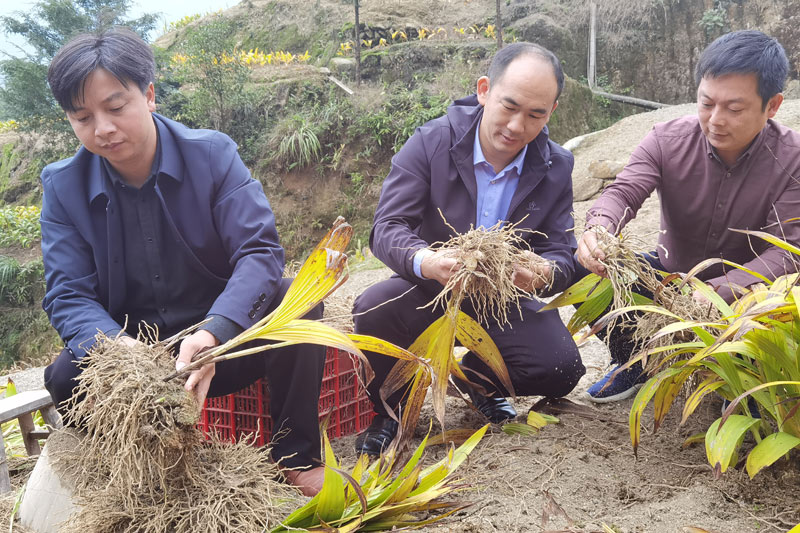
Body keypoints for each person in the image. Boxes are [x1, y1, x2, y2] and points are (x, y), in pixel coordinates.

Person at [39, 28, 325, 496]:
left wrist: (214, 331)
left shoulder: (212, 154)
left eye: (115, 107)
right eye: (82, 116)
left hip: (225, 342)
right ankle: (142, 468)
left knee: (299, 298)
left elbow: (260, 251)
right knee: (65, 374)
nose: (103, 129)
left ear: (149, 95)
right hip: (136, 359)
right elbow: (67, 293)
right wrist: (119, 349)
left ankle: (296, 457)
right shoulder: (62, 188)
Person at [352, 42, 586, 455]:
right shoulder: (431, 142)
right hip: (433, 286)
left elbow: (562, 252)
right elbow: (387, 228)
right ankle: (391, 408)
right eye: (508, 106)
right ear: (483, 90)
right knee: (373, 306)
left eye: (535, 114)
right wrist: (428, 261)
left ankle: (477, 378)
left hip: (503, 295)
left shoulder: (556, 164)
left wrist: (545, 272)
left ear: (551, 111)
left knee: (561, 367)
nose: (517, 126)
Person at [576, 30, 800, 403]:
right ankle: (634, 359)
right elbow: (624, 192)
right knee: (587, 265)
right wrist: (599, 228)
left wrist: (723, 291)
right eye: (706, 103)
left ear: (772, 106)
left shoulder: (792, 159)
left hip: (751, 297)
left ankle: (746, 381)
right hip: (670, 280)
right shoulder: (666, 139)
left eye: (734, 108)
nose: (715, 120)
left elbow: (790, 250)